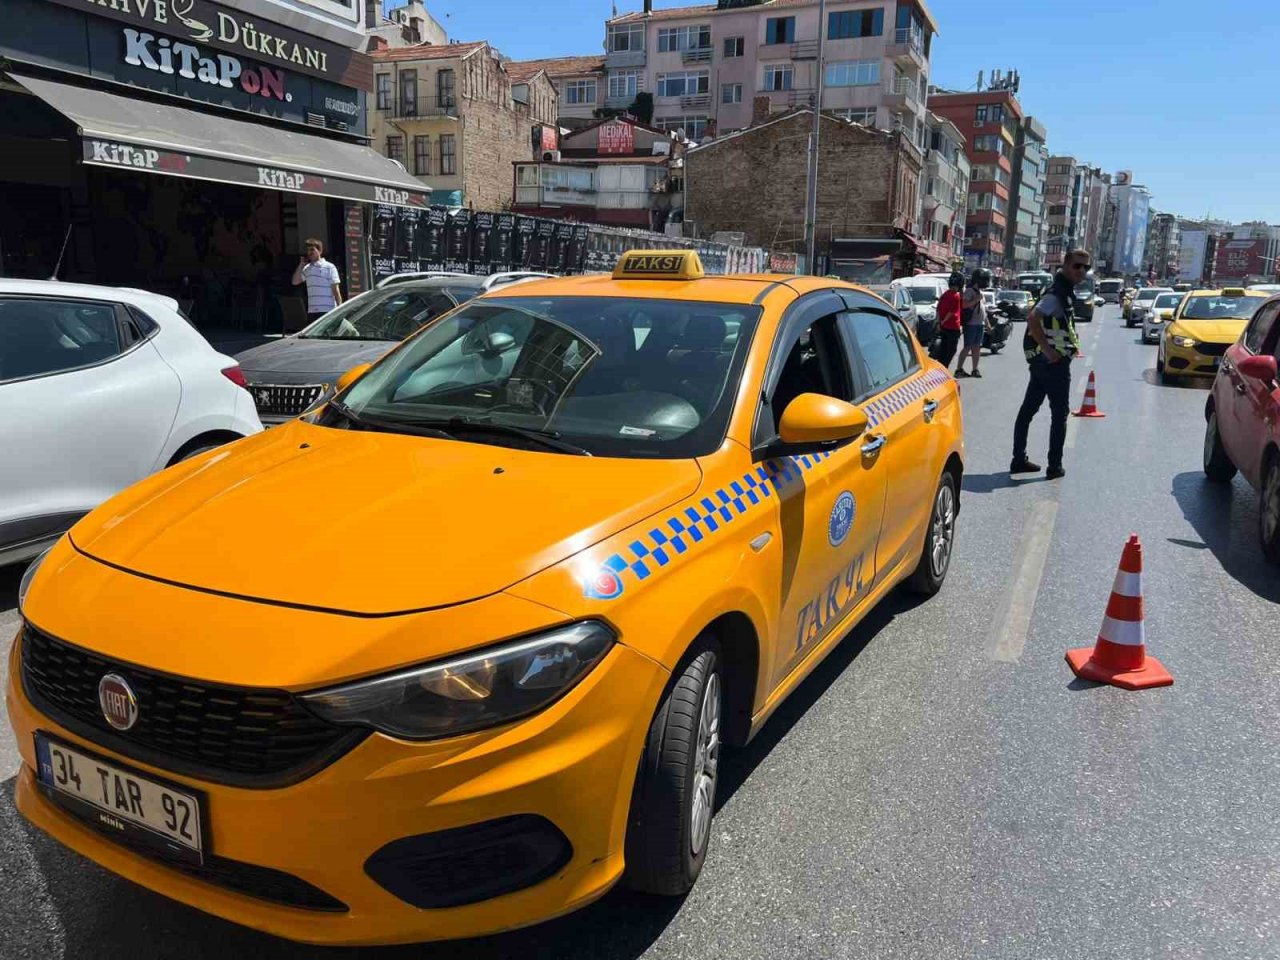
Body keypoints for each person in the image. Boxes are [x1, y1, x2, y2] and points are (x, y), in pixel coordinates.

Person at [1011, 249, 1088, 480]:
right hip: (1052, 365)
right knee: (1059, 414)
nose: (1081, 271)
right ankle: (1054, 466)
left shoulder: (1063, 291)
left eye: (1086, 267)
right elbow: (1033, 318)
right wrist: (1049, 351)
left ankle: (1018, 459)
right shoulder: (1056, 294)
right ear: (1065, 265)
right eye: (1077, 266)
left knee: (1028, 411)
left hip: (1043, 364)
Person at [291, 238, 343, 326]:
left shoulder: (329, 267)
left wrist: (340, 309)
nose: (309, 253)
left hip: (327, 309)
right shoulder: (307, 268)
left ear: (320, 251)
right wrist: (301, 265)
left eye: (312, 250)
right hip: (312, 310)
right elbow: (295, 282)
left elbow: (335, 289)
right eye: (308, 250)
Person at [954, 267, 990, 378]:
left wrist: (987, 323)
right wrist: (976, 299)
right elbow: (964, 305)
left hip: (980, 324)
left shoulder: (980, 292)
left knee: (977, 347)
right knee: (967, 346)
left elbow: (982, 309)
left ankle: (975, 369)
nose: (986, 282)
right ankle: (959, 369)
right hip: (971, 324)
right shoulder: (969, 291)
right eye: (984, 280)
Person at [930, 273, 964, 369]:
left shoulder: (945, 294)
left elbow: (938, 309)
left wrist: (938, 323)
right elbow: (951, 312)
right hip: (952, 327)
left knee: (943, 349)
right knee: (951, 350)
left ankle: (941, 367)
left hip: (944, 327)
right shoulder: (956, 296)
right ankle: (944, 368)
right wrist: (943, 322)